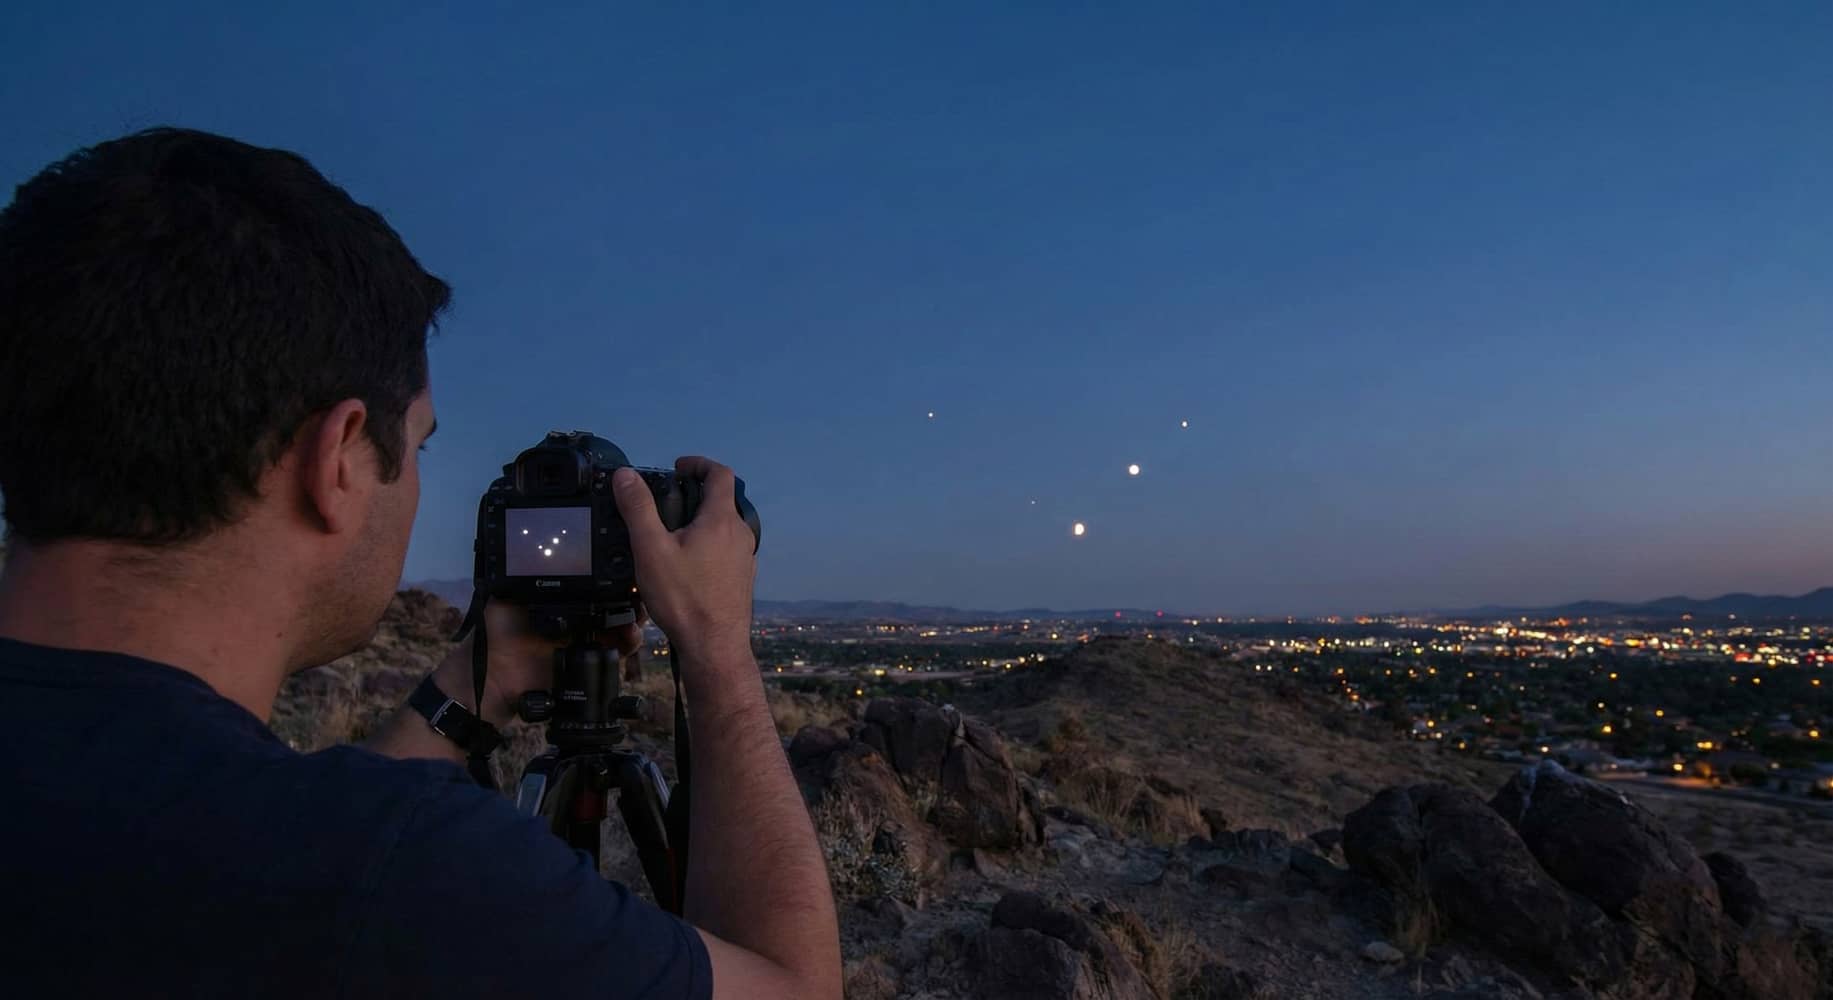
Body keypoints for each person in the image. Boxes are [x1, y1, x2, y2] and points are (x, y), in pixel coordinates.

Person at [0, 127, 841, 999]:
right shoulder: (409, 871)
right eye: (419, 448)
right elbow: (798, 990)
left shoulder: (307, 852)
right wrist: (716, 647)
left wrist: (475, 686)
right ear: (336, 461)